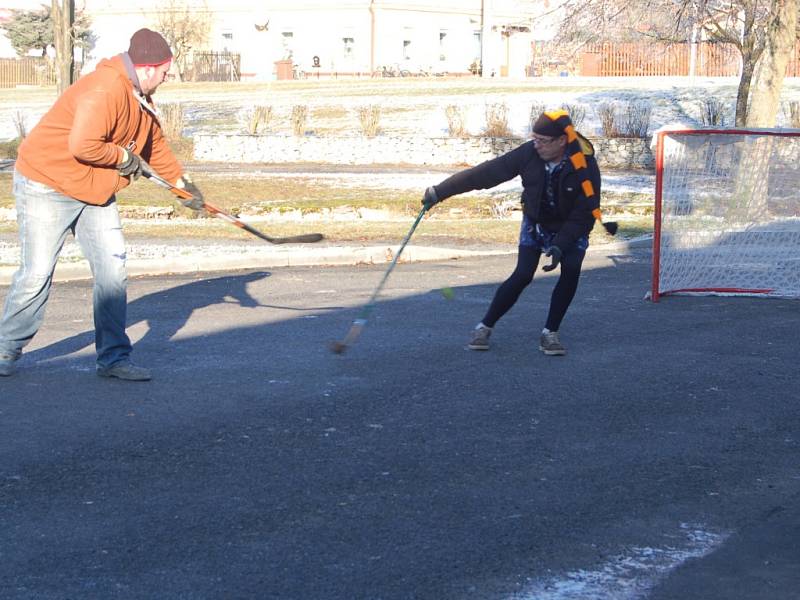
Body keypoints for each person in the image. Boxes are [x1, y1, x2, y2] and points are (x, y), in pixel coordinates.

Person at [0, 28, 203, 381]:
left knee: (112, 272)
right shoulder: (105, 89)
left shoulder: (140, 98)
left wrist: (184, 189)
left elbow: (155, 148)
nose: (168, 78)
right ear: (150, 67)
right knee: (37, 273)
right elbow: (83, 145)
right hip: (46, 184)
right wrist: (124, 157)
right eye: (167, 71)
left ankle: (113, 358)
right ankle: (5, 348)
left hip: (93, 190)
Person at [422, 109, 615, 356]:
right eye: (534, 138)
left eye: (543, 141)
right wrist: (439, 192)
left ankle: (550, 333)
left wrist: (560, 245)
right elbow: (486, 173)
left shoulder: (584, 165)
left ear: (561, 141)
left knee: (571, 270)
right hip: (537, 221)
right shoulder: (529, 153)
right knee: (522, 274)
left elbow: (585, 212)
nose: (537, 145)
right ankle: (484, 327)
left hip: (571, 225)